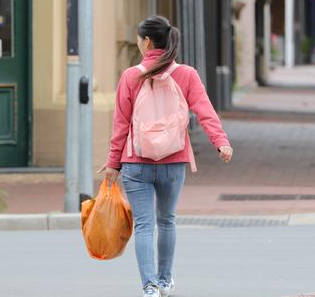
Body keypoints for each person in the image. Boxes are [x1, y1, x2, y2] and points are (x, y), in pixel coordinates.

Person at [99, 15, 233, 297]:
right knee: (167, 220)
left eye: (139, 39)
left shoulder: (130, 76)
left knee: (145, 225)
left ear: (147, 41)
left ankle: (148, 286)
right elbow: (205, 111)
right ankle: (164, 280)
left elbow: (121, 125)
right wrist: (220, 142)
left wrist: (113, 163)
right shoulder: (187, 75)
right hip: (174, 160)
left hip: (136, 162)